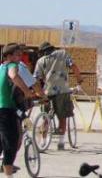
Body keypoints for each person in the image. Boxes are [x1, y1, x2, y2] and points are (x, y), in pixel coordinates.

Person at [2, 44, 43, 176]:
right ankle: (9, 174)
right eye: (18, 55)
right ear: (9, 56)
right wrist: (26, 91)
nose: (20, 58)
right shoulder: (12, 66)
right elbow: (14, 76)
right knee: (11, 143)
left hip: (3, 109)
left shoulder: (1, 67)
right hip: (8, 110)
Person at [33, 41, 80, 151]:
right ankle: (61, 142)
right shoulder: (63, 54)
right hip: (62, 91)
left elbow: (35, 78)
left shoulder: (41, 61)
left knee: (45, 118)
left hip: (47, 92)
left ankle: (43, 142)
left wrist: (38, 92)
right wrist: (79, 80)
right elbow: (74, 66)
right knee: (62, 117)